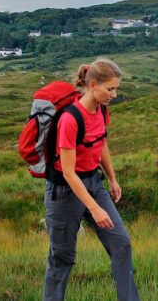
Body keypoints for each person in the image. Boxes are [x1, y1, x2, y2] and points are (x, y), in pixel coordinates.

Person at [43, 58, 139, 301]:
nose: (114, 94)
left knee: (122, 244)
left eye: (116, 88)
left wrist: (112, 178)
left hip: (94, 184)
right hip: (65, 192)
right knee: (62, 257)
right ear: (93, 85)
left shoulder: (101, 109)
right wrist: (94, 209)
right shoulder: (70, 119)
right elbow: (67, 172)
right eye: (110, 89)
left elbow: (101, 143)